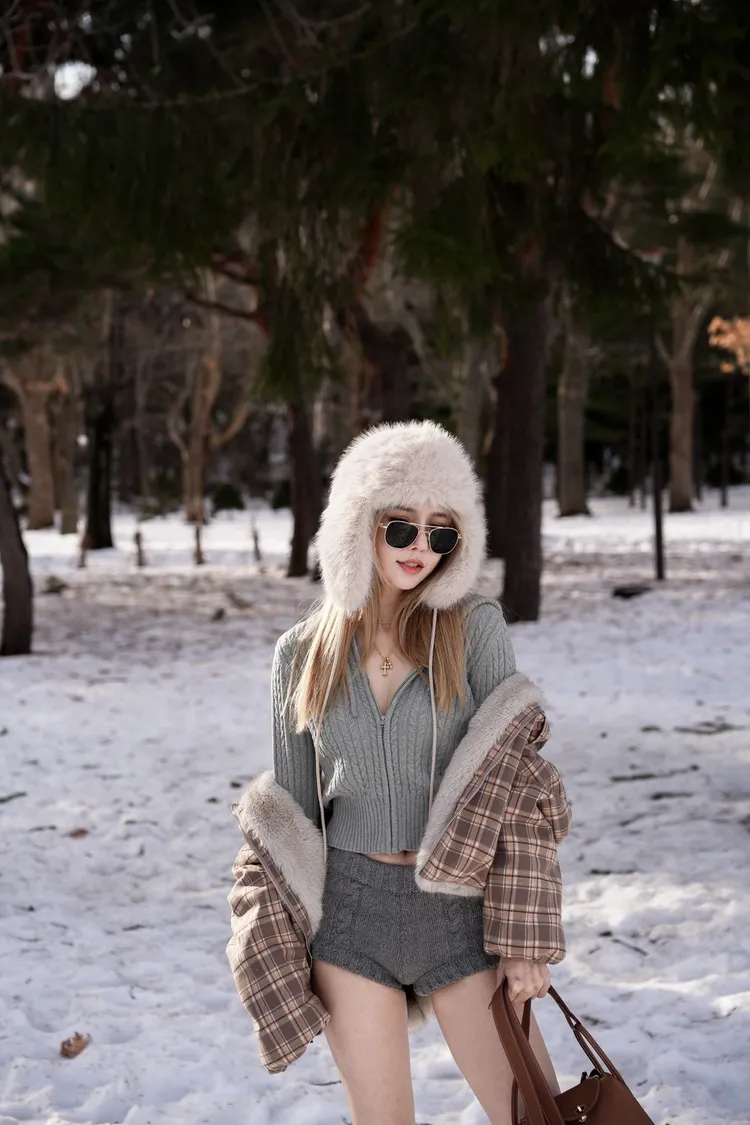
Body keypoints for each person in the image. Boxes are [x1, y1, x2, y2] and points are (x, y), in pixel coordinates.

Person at [227, 420, 571, 1125]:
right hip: (351, 920)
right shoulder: (301, 655)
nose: (421, 548)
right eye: (403, 527)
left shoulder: (474, 628)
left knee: (536, 1117)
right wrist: (271, 936)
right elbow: (291, 822)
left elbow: (518, 788)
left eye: (441, 533)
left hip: (462, 914)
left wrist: (526, 940)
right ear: (360, 523)